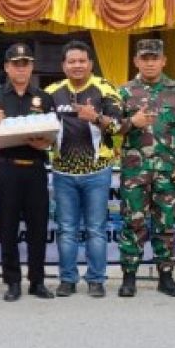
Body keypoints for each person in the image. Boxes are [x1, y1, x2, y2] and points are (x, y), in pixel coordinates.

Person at [0, 42, 56, 301]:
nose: (21, 69)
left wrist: (44, 142)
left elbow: (53, 138)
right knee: (8, 228)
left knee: (38, 228)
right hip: (5, 170)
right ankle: (12, 282)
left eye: (26, 64)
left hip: (35, 169)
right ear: (6, 67)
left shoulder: (43, 98)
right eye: (16, 64)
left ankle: (37, 281)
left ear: (32, 67)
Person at [45, 41, 123, 298]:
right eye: (72, 62)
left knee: (96, 229)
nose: (77, 66)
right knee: (66, 229)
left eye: (82, 61)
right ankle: (67, 279)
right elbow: (40, 128)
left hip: (97, 172)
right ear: (64, 66)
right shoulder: (52, 93)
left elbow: (121, 126)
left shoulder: (106, 89)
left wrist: (97, 118)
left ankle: (96, 280)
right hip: (63, 172)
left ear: (90, 64)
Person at [116, 39, 175, 298]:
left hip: (168, 170)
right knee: (132, 223)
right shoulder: (124, 92)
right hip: (134, 172)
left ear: (163, 61)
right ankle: (128, 278)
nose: (149, 62)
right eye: (144, 58)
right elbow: (113, 128)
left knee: (166, 225)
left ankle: (166, 277)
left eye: (154, 58)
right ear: (136, 61)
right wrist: (131, 122)